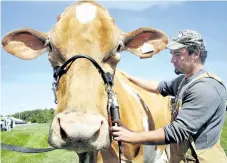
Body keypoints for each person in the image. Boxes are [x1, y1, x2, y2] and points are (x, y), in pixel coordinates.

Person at [111, 30, 227, 163]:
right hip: (182, 157)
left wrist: (132, 136)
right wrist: (126, 77)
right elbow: (158, 87)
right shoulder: (184, 80)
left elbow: (178, 131)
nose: (172, 60)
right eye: (172, 54)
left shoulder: (206, 87)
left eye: (178, 54)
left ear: (196, 53)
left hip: (199, 159)